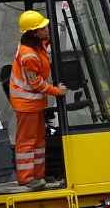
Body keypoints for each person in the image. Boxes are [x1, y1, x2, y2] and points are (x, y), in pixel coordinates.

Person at [8, 10, 66, 189]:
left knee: (39, 140)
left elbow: (44, 49)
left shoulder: (35, 45)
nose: (47, 28)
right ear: (34, 33)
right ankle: (27, 178)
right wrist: (57, 91)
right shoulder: (28, 55)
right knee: (27, 141)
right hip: (27, 104)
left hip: (34, 103)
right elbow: (36, 84)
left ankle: (38, 176)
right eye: (43, 27)